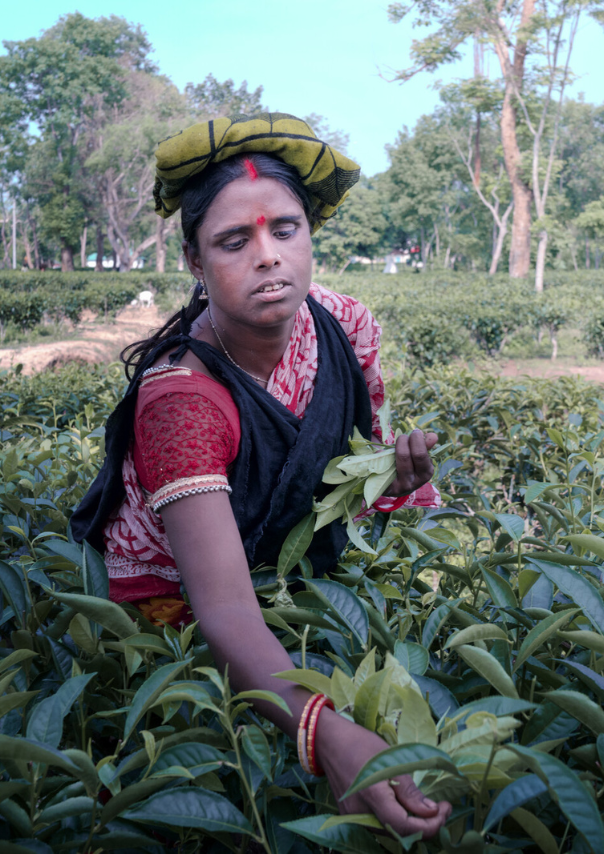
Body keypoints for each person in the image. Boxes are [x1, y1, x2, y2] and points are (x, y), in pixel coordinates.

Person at [71, 112, 451, 839]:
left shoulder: (345, 324)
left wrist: (393, 479)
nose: (268, 257)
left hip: (286, 569)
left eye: (285, 229)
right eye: (233, 241)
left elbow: (341, 472)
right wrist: (324, 733)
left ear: (311, 235)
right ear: (194, 261)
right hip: (176, 608)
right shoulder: (181, 399)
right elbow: (222, 612)